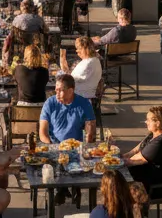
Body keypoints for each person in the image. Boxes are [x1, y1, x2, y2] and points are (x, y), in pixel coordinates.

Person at [39, 74, 97, 205]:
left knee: (80, 163)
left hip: (76, 147)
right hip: (54, 145)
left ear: (71, 91)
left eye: (60, 90)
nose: (56, 93)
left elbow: (91, 128)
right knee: (55, 163)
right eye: (56, 90)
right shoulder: (50, 103)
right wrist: (52, 147)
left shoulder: (83, 103)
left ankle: (65, 189)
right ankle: (63, 189)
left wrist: (87, 142)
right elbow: (42, 132)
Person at [123, 106, 162, 198]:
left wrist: (115, 161)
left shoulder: (160, 142)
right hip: (153, 176)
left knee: (121, 187)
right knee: (122, 180)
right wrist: (120, 156)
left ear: (158, 123)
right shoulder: (153, 135)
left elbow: (133, 161)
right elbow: (134, 151)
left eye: (149, 120)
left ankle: (128, 206)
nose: (146, 122)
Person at [58, 35, 102, 99]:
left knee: (52, 98)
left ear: (85, 49)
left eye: (79, 49)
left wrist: (61, 72)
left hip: (81, 96)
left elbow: (72, 79)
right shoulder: (94, 60)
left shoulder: (88, 63)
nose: (77, 51)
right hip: (84, 92)